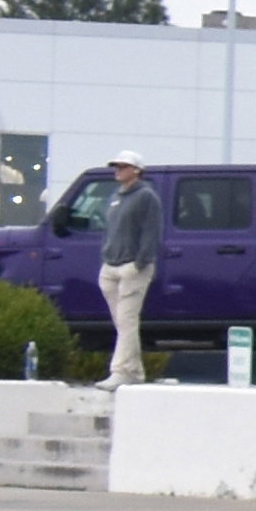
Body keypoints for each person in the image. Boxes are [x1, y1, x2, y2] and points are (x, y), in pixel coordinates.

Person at [92, 152, 161, 388]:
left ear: (137, 170)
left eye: (124, 166)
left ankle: (121, 371)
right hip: (111, 266)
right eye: (117, 166)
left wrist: (139, 263)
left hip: (132, 267)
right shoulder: (116, 196)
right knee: (123, 323)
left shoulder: (146, 197)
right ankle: (134, 371)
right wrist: (106, 259)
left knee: (127, 319)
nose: (118, 170)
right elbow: (110, 230)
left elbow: (152, 233)